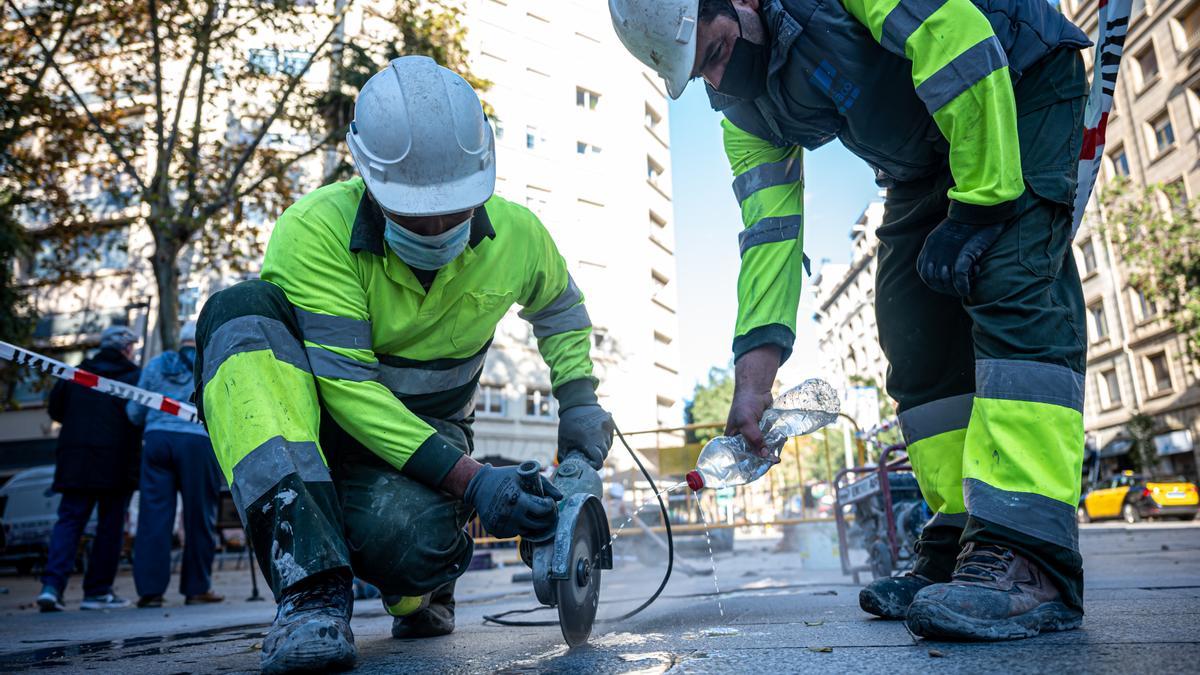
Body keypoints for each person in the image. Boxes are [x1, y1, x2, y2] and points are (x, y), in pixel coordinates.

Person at [611, 0, 1091, 641]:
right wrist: (753, 383)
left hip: (1016, 82)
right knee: (910, 327)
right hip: (923, 158)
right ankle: (962, 540)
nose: (721, 82)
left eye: (720, 52)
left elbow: (960, 46)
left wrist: (981, 208)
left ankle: (1028, 554)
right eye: (702, 74)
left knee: (1009, 284)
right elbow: (770, 238)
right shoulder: (743, 115)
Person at [194, 56, 614, 673]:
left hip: (429, 441)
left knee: (413, 541)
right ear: (367, 178)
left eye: (457, 209)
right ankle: (311, 598)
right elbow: (351, 389)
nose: (439, 228)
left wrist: (578, 400)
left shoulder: (521, 237)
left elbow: (560, 308)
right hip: (314, 434)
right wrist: (474, 480)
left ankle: (421, 590)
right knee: (239, 315)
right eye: (416, 215)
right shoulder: (315, 232)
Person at [37, 325, 142, 612]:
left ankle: (51, 587)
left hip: (76, 460)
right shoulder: (134, 376)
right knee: (110, 527)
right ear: (127, 349)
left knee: (69, 522)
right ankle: (96, 592)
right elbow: (138, 416)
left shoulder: (75, 374)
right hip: (116, 462)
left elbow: (56, 410)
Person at [127, 320, 224, 608]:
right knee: (199, 515)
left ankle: (150, 591)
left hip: (157, 441)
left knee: (154, 515)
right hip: (196, 442)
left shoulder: (156, 365)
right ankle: (197, 589)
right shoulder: (211, 363)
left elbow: (134, 411)